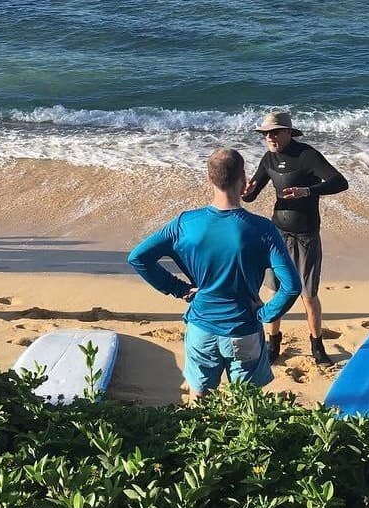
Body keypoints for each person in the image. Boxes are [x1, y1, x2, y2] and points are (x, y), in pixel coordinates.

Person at [128, 149, 302, 399]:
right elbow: (291, 286)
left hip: (201, 328)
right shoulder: (263, 229)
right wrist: (265, 314)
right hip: (243, 330)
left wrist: (179, 289)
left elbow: (138, 258)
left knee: (199, 399)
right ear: (243, 179)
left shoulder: (184, 224)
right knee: (246, 407)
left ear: (209, 179)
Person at [243, 111, 348, 366]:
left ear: (289, 132)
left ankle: (317, 345)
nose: (270, 137)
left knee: (308, 293)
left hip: (306, 235)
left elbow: (340, 182)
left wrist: (307, 191)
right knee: (275, 290)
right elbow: (251, 194)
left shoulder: (306, 156)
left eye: (275, 132)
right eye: (266, 133)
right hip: (277, 235)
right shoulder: (268, 158)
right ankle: (273, 342)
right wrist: (245, 192)